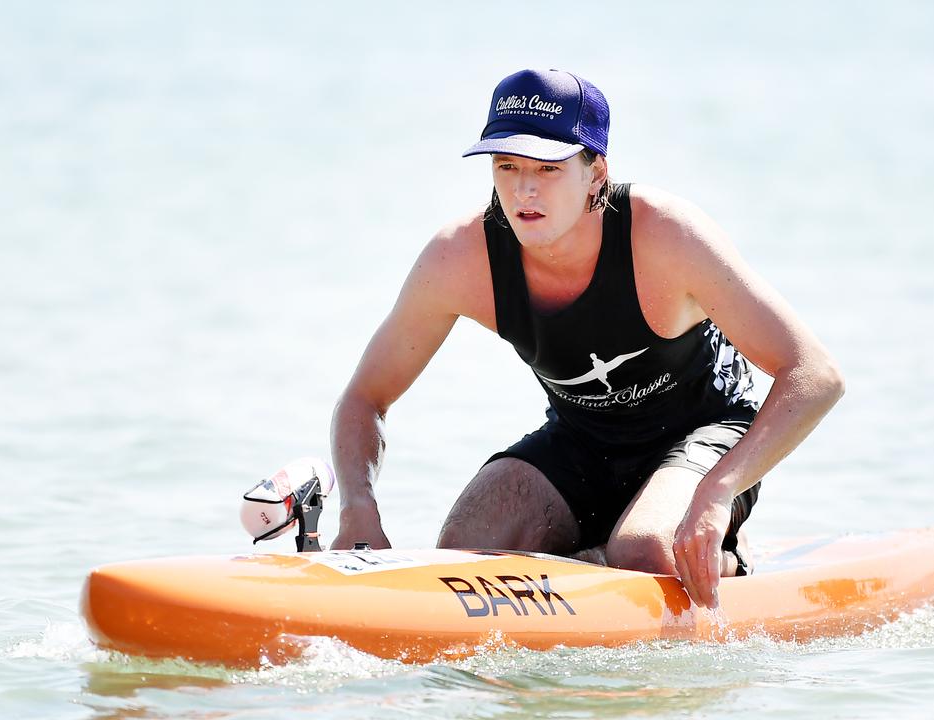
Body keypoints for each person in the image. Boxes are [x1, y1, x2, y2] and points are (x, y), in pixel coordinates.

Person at [329, 68, 844, 608]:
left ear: (595, 171)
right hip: (583, 439)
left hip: (706, 434)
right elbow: (365, 398)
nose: (524, 189)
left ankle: (723, 560)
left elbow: (815, 375)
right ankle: (596, 554)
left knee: (643, 551)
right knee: (466, 552)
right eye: (506, 166)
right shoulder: (461, 258)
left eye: (548, 168)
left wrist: (719, 491)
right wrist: (357, 508)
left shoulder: (664, 234)